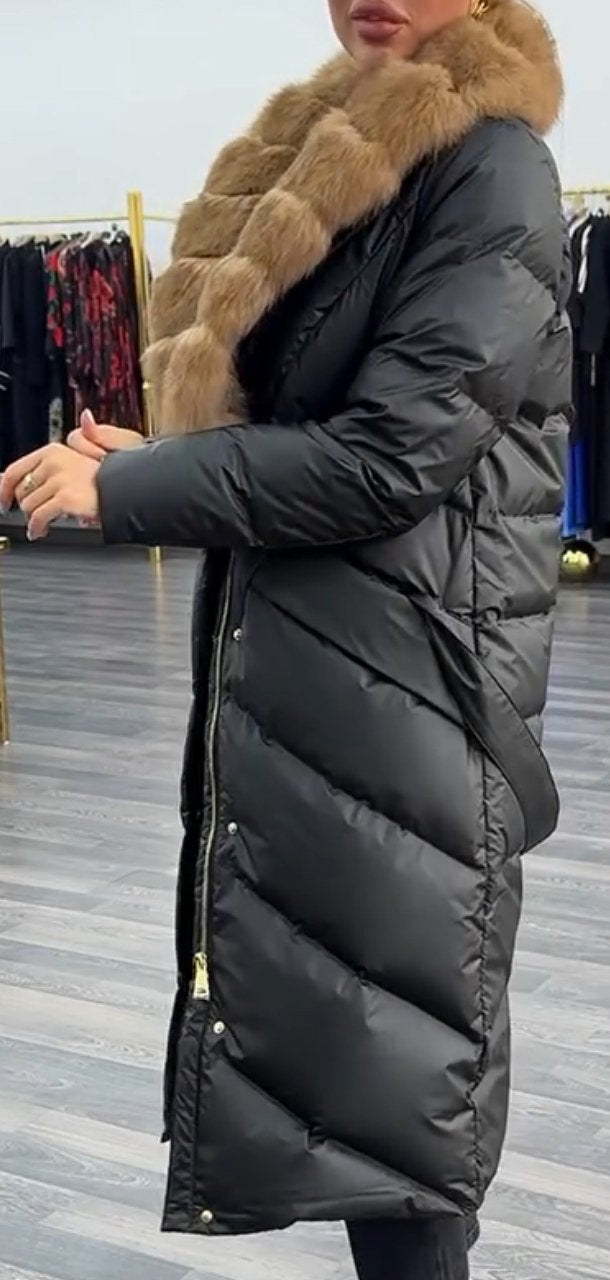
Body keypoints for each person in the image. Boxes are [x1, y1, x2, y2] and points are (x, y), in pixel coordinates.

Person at [1, 2, 570, 1276]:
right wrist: (168, 455)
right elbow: (319, 421)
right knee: (372, 1069)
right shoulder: (347, 145)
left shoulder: (491, 166)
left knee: (405, 1091)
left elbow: (390, 459)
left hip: (418, 688)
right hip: (330, 667)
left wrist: (134, 488)